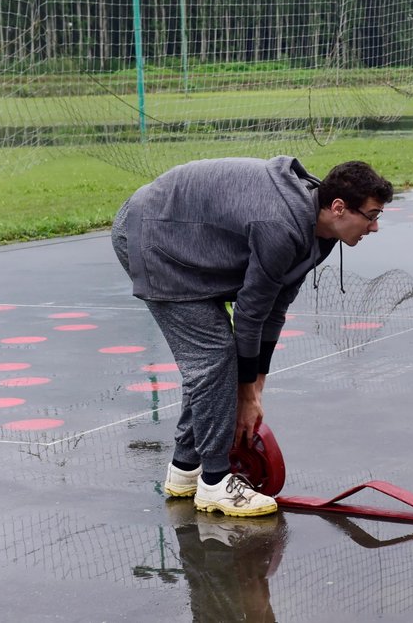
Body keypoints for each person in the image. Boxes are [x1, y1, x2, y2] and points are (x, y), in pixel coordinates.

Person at [111, 156, 393, 516]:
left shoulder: (318, 233)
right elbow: (249, 313)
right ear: (338, 208)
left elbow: (273, 306)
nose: (374, 228)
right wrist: (245, 396)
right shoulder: (282, 226)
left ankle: (185, 469)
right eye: (371, 216)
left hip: (190, 236)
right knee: (213, 357)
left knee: (217, 361)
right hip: (153, 234)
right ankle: (214, 483)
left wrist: (256, 385)